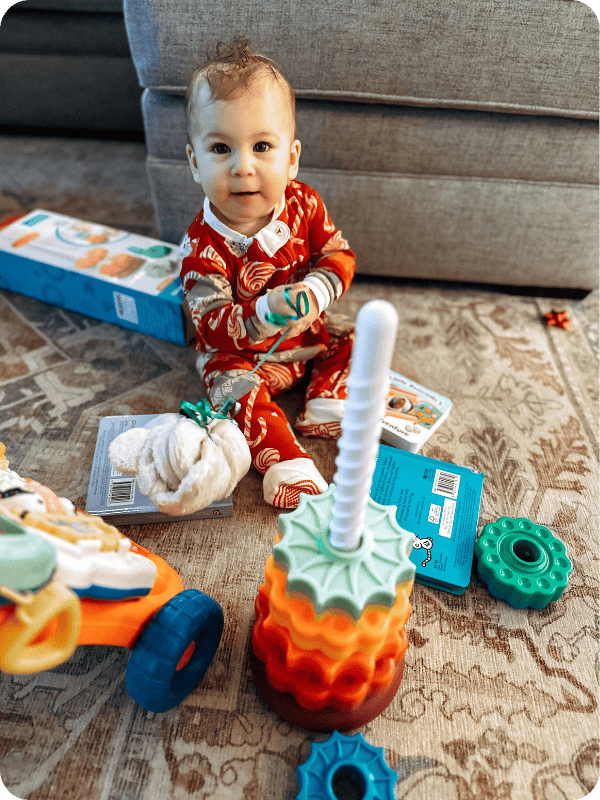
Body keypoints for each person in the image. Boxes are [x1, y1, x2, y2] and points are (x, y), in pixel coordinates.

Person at [180, 39, 356, 508]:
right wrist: (262, 311)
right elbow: (211, 325)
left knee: (356, 337)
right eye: (221, 148)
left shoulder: (304, 203)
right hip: (242, 358)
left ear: (291, 158)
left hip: (306, 340)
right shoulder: (201, 247)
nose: (243, 167)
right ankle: (284, 460)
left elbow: (340, 255)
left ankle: (325, 401)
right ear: (195, 164)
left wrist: (317, 291)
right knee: (229, 387)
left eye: (262, 146)